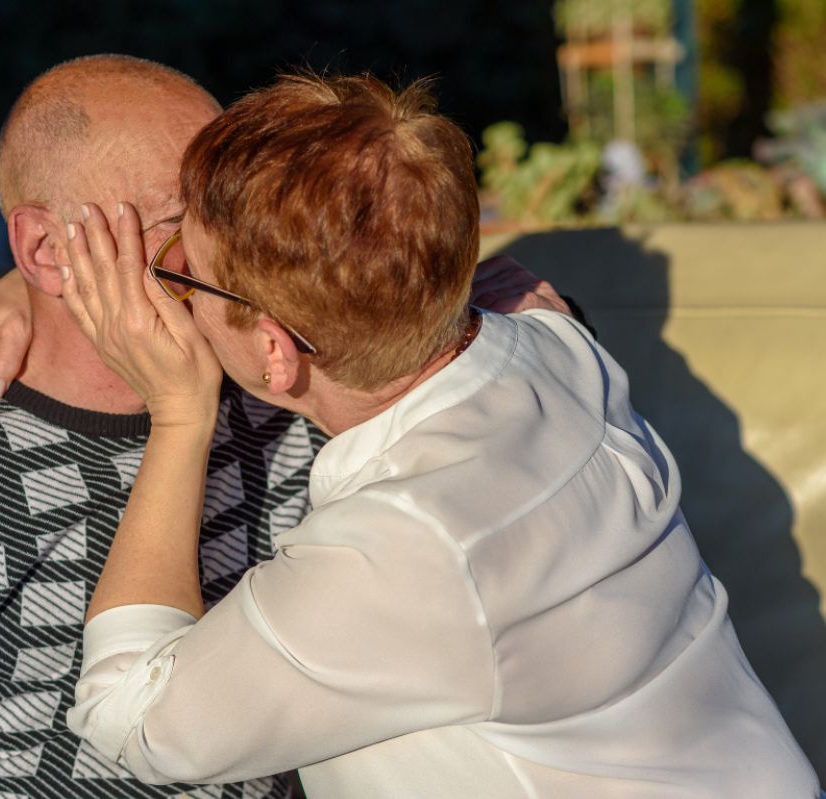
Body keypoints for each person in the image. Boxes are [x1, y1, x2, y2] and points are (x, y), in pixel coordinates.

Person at [0, 56, 566, 799]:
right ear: (48, 250)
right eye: (189, 231)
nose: (240, 260)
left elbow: (487, 316)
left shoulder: (295, 390)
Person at [51, 73, 821, 797]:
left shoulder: (404, 548)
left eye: (186, 272)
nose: (170, 280)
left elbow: (133, 716)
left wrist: (179, 416)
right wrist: (33, 290)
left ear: (276, 351)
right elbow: (509, 287)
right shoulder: (551, 343)